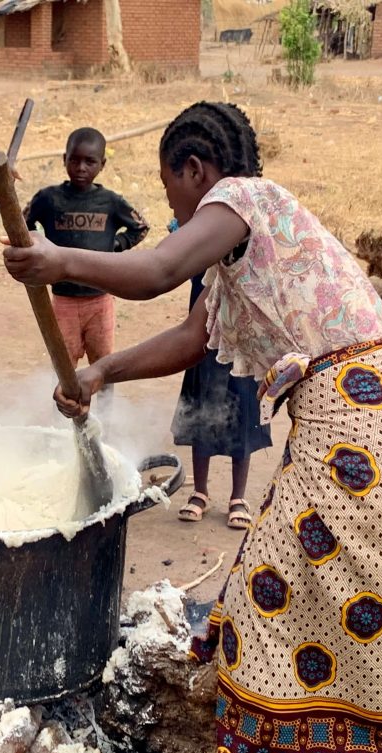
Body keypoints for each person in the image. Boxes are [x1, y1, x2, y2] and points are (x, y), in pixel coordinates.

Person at [4, 102, 382, 753]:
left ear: (196, 169)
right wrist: (99, 372)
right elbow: (191, 340)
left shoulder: (241, 197)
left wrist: (56, 258)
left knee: (261, 610)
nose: (177, 214)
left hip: (362, 440)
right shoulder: (247, 246)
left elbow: (156, 271)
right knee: (320, 611)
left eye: (172, 196)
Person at [23, 127, 149, 391]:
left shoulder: (111, 202)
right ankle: (65, 419)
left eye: (90, 162)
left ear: (102, 165)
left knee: (103, 366)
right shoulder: (48, 199)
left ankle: (105, 418)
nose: (81, 167)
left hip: (100, 301)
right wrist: (35, 246)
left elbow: (141, 227)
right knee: (63, 365)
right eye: (74, 159)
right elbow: (22, 224)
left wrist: (116, 245)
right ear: (64, 159)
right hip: (63, 301)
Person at [167, 219, 272, 528]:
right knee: (202, 413)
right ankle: (200, 492)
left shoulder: (255, 247)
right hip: (205, 344)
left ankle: (238, 498)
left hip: (244, 348)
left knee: (244, 419)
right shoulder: (197, 244)